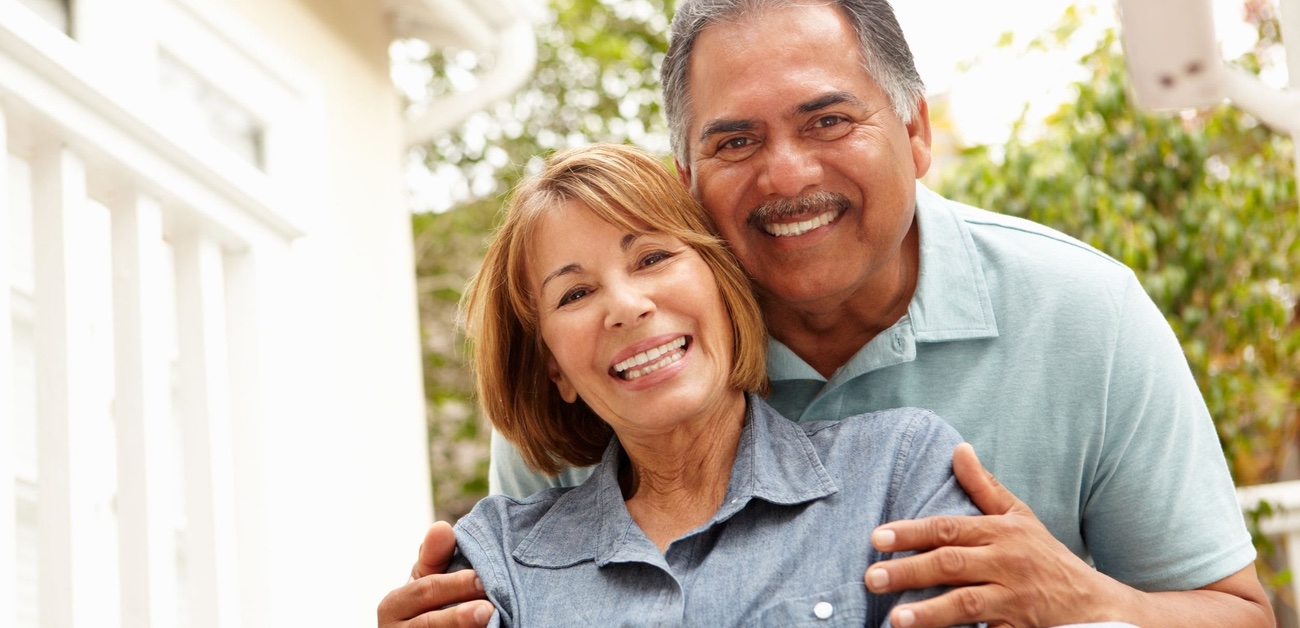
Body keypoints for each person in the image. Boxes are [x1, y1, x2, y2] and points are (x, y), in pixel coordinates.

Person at [378, 1, 1273, 627]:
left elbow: (1237, 614)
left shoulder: (1083, 314)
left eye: (828, 120)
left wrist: (1085, 600)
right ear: (687, 179)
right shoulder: (632, 362)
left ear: (917, 132)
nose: (787, 175)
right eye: (734, 141)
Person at [439, 143, 981, 626]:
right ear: (555, 368)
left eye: (652, 258)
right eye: (574, 294)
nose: (626, 308)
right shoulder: (498, 557)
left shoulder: (902, 473)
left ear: (722, 284)